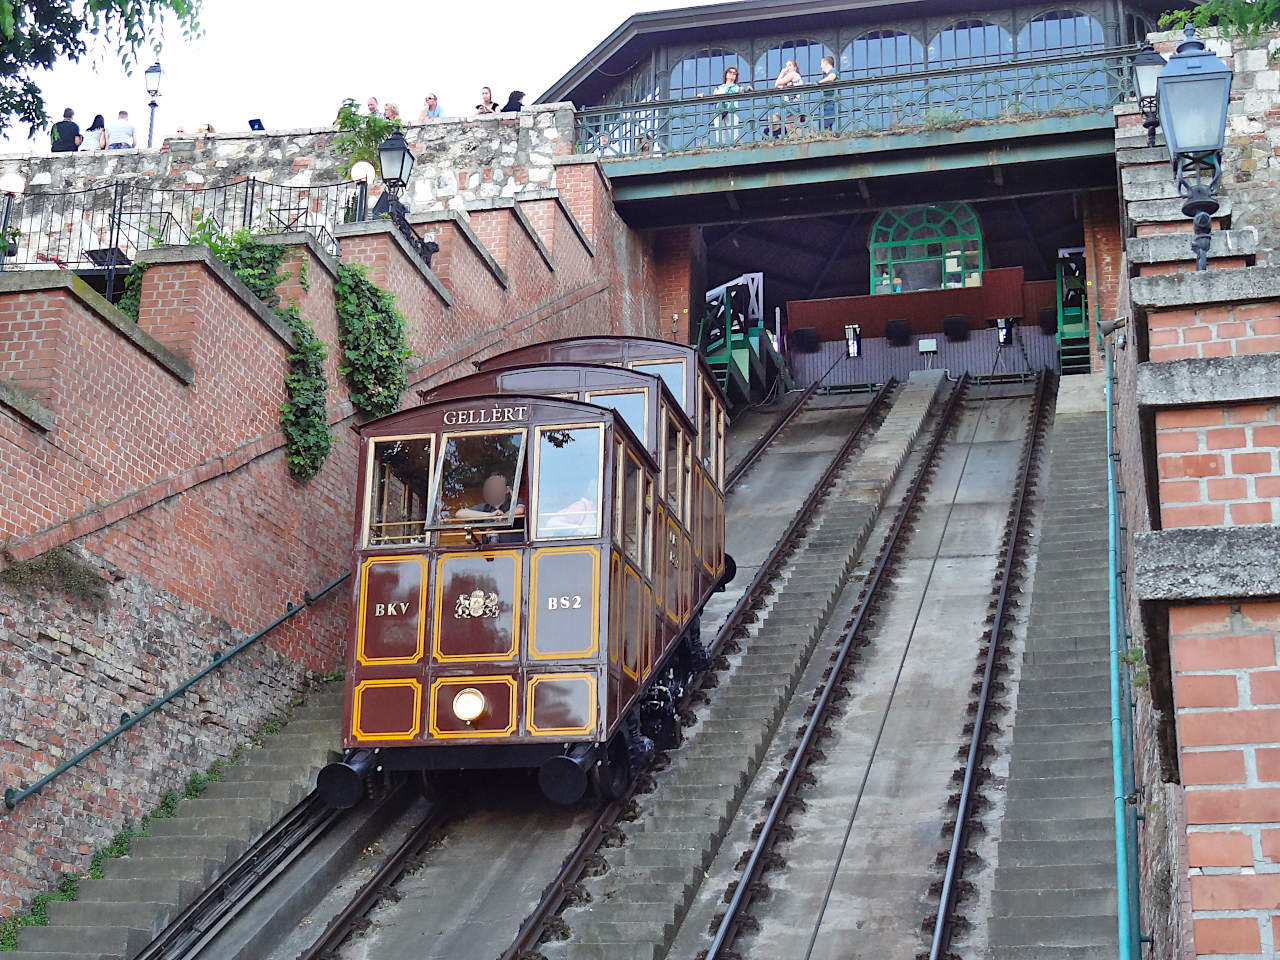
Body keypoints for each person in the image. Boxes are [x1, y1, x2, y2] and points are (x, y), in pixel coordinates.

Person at [453, 474, 526, 524]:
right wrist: (490, 515)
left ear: (507, 490)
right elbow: (460, 513)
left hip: (513, 546)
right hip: (489, 546)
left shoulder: (514, 502)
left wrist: (502, 517)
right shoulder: (485, 508)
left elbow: (520, 510)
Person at [709, 66, 750, 146]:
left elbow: (743, 93)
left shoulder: (738, 87)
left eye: (734, 73)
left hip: (731, 111)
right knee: (720, 135)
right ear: (726, 74)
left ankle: (737, 148)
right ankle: (720, 149)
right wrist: (702, 96)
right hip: (719, 112)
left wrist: (748, 90)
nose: (732, 74)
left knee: (734, 133)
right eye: (730, 72)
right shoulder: (718, 88)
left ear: (736, 76)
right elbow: (712, 100)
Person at [772, 60, 804, 138]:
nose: (787, 68)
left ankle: (797, 141)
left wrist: (782, 73)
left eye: (790, 65)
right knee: (790, 127)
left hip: (793, 105)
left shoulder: (793, 74)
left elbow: (777, 83)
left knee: (794, 127)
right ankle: (795, 141)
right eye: (786, 66)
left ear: (795, 68)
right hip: (789, 106)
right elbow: (777, 85)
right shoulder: (788, 81)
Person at [818, 56, 839, 133]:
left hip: (830, 103)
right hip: (826, 103)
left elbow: (831, 77)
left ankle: (827, 138)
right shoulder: (826, 75)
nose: (820, 67)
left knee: (825, 126)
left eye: (821, 64)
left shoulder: (833, 71)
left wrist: (819, 82)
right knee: (824, 126)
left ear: (826, 63)